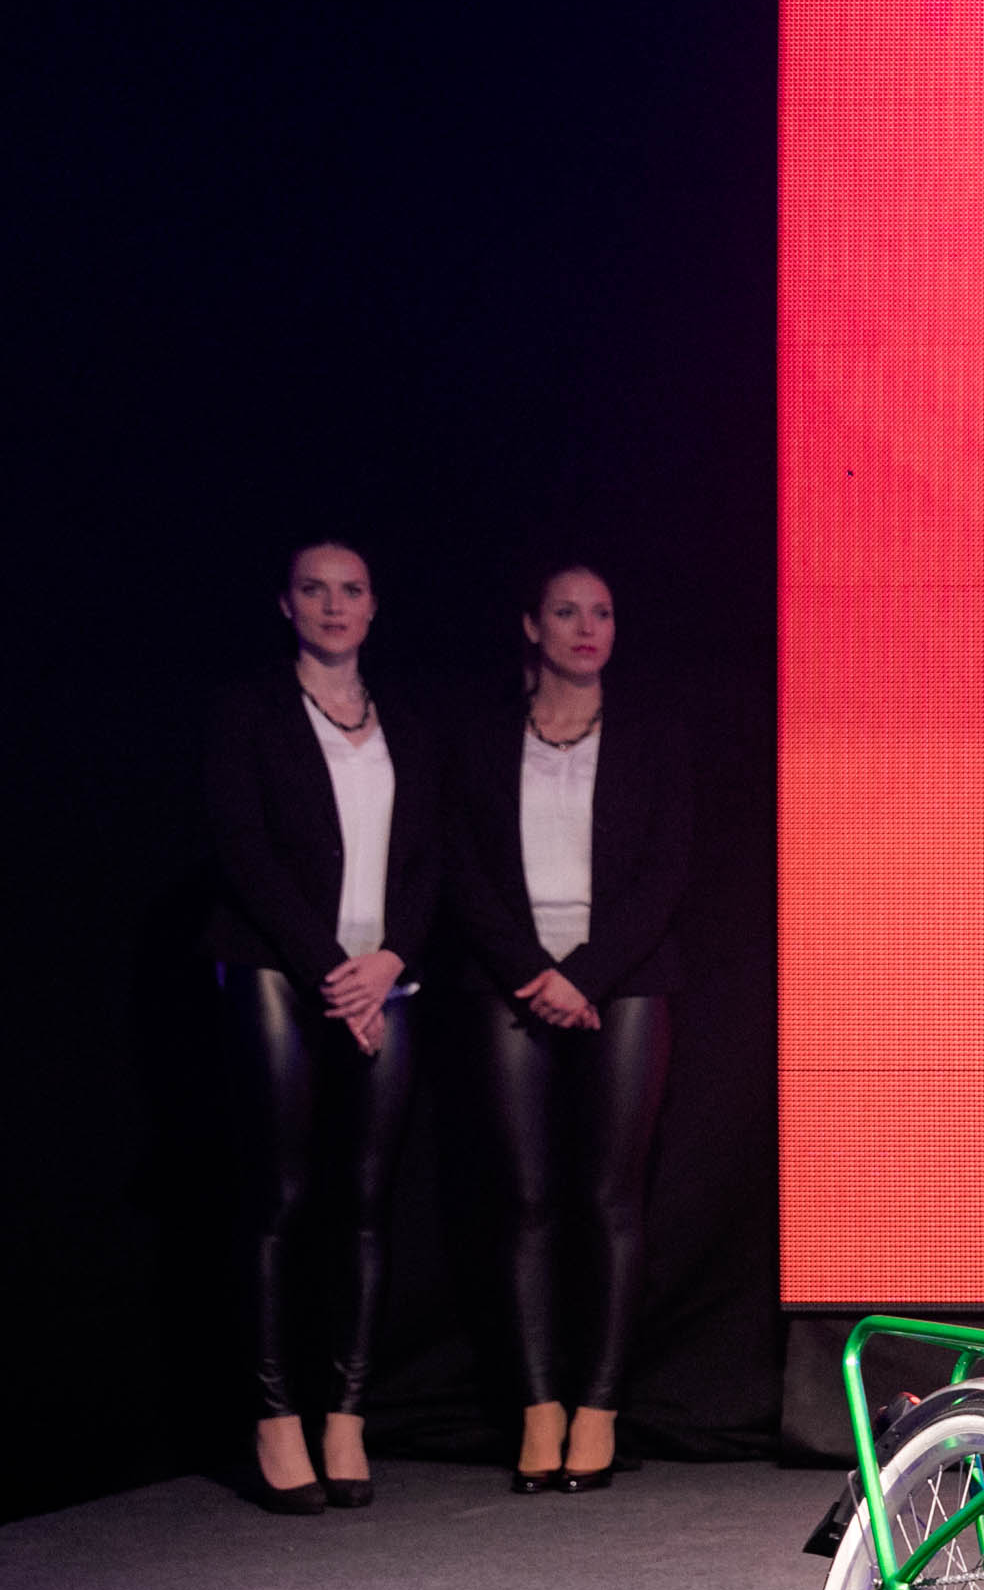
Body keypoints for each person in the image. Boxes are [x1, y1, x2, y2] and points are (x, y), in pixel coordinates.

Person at [204, 540, 438, 1514]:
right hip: (278, 967)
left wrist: (388, 960)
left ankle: (346, 1412)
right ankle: (274, 1414)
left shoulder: (407, 722)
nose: (334, 606)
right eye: (315, 590)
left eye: (350, 591)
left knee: (365, 1199)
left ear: (374, 607)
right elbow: (243, 853)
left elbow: (430, 857)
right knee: (281, 1192)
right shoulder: (248, 712)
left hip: (384, 977)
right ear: (286, 604)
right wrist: (335, 975)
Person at [448, 564, 689, 1493]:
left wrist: (582, 976)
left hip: (622, 979)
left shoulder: (651, 735)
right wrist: (533, 974)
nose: (587, 627)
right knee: (524, 1200)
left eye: (602, 612)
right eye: (566, 611)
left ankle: (598, 1407)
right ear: (531, 625)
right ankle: (538, 1408)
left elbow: (665, 873)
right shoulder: (483, 736)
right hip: (509, 976)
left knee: (610, 1198)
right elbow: (462, 867)